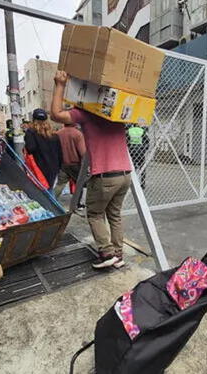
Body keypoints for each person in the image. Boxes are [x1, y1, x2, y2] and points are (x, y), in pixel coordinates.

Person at [51, 71, 131, 269]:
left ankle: (106, 253)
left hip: (104, 176)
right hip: (125, 174)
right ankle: (119, 255)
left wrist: (60, 84)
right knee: (114, 215)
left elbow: (56, 114)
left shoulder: (87, 112)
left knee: (94, 214)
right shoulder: (116, 112)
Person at [24, 108, 62, 190]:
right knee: (50, 190)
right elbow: (60, 154)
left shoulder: (31, 132)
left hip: (38, 167)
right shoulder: (54, 135)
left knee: (40, 192)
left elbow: (31, 148)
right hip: (53, 168)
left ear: (33, 119)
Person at [54, 121, 86, 197]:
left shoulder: (58, 134)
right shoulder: (77, 134)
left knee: (60, 184)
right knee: (79, 184)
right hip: (75, 164)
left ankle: (52, 200)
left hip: (62, 164)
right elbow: (83, 152)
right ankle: (77, 204)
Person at [126, 124, 149, 189]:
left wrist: (129, 149)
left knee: (132, 168)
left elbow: (127, 141)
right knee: (142, 168)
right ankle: (143, 183)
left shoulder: (129, 131)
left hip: (132, 151)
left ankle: (131, 183)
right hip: (140, 152)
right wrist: (144, 150)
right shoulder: (142, 131)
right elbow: (147, 141)